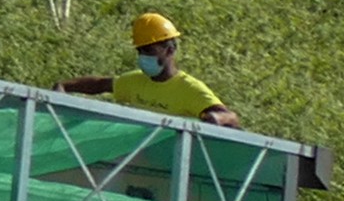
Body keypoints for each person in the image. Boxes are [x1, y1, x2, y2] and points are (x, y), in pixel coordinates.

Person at [82, 12, 240, 125]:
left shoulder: (189, 89)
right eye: (140, 51)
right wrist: (63, 87)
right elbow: (100, 84)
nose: (143, 56)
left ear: (170, 50)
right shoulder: (134, 82)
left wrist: (218, 118)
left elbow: (231, 117)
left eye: (149, 50)